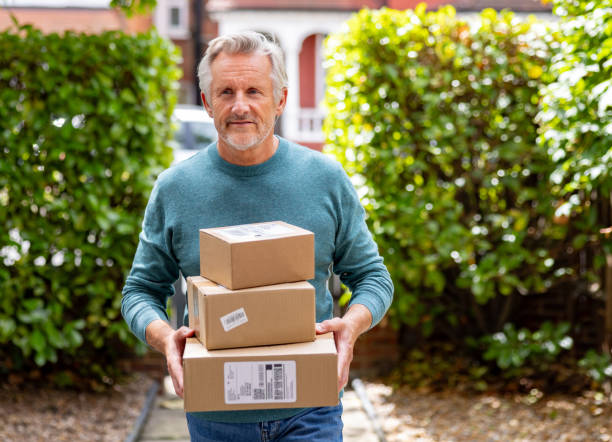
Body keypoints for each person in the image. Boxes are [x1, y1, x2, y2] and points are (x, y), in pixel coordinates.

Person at [121, 30, 393, 441]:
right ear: (207, 101)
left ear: (280, 99)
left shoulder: (324, 179)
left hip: (310, 409)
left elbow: (373, 278)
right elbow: (139, 291)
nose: (240, 105)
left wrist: (351, 325)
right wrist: (165, 340)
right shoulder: (176, 188)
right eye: (226, 92)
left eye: (254, 90)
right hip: (217, 415)